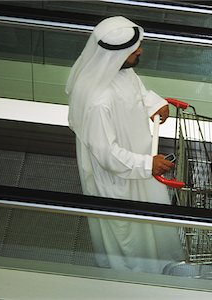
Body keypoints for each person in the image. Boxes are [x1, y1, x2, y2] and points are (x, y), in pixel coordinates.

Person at [65, 16, 183, 273]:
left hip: (137, 159)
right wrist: (147, 164)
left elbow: (134, 88)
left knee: (147, 218)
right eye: (134, 49)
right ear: (115, 56)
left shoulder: (117, 68)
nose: (140, 50)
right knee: (128, 233)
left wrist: (153, 103)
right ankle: (135, 275)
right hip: (117, 176)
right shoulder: (98, 101)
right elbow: (107, 155)